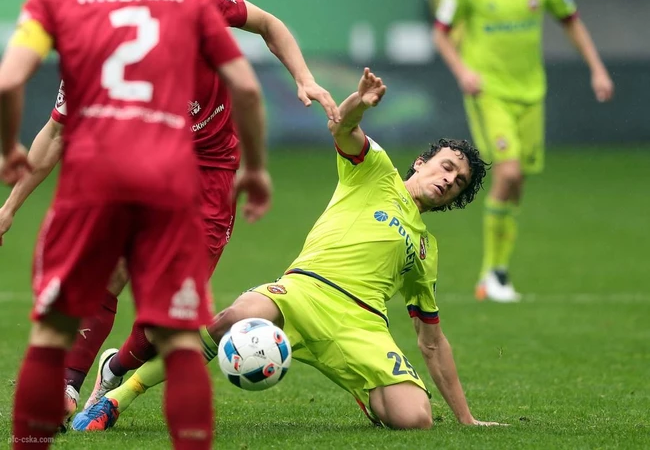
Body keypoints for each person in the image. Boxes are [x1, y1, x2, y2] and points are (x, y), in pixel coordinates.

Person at [79, 67, 503, 431]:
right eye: (447, 167)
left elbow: (432, 341)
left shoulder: (426, 250)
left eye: (458, 183)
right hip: (302, 292)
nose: (449, 180)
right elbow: (343, 128)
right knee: (234, 318)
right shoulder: (377, 173)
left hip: (362, 326)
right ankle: (118, 397)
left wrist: (466, 418)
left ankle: (367, 392)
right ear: (422, 163)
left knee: (415, 419)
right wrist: (360, 102)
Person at [0, 0, 337, 428]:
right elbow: (57, 134)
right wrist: (9, 208)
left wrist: (305, 78)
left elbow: (269, 25)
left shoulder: (200, 3)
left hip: (211, 172)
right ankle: (66, 386)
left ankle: (115, 368)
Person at [0, 0, 270, 448]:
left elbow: (10, 85)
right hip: (164, 181)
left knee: (54, 327)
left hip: (105, 180)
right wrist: (259, 167)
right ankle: (80, 385)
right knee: (178, 330)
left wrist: (7, 155)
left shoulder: (57, 4)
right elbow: (245, 86)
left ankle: (60, 402)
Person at [433, 0, 614, 303]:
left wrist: (597, 69)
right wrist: (463, 71)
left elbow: (571, 20)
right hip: (489, 93)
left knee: (517, 183)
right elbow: (441, 32)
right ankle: (493, 273)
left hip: (531, 93)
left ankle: (496, 273)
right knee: (509, 172)